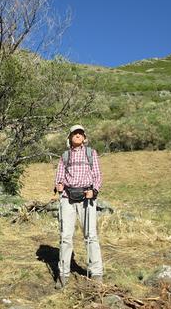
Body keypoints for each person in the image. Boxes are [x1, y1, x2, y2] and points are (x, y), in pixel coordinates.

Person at [53, 124, 103, 289]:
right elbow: (59, 176)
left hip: (86, 198)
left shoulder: (91, 153)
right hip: (67, 198)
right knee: (65, 237)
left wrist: (94, 191)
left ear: (84, 137)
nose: (78, 135)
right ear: (70, 137)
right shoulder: (65, 156)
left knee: (90, 236)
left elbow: (97, 175)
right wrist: (58, 185)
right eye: (75, 133)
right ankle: (63, 274)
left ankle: (96, 273)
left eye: (80, 133)